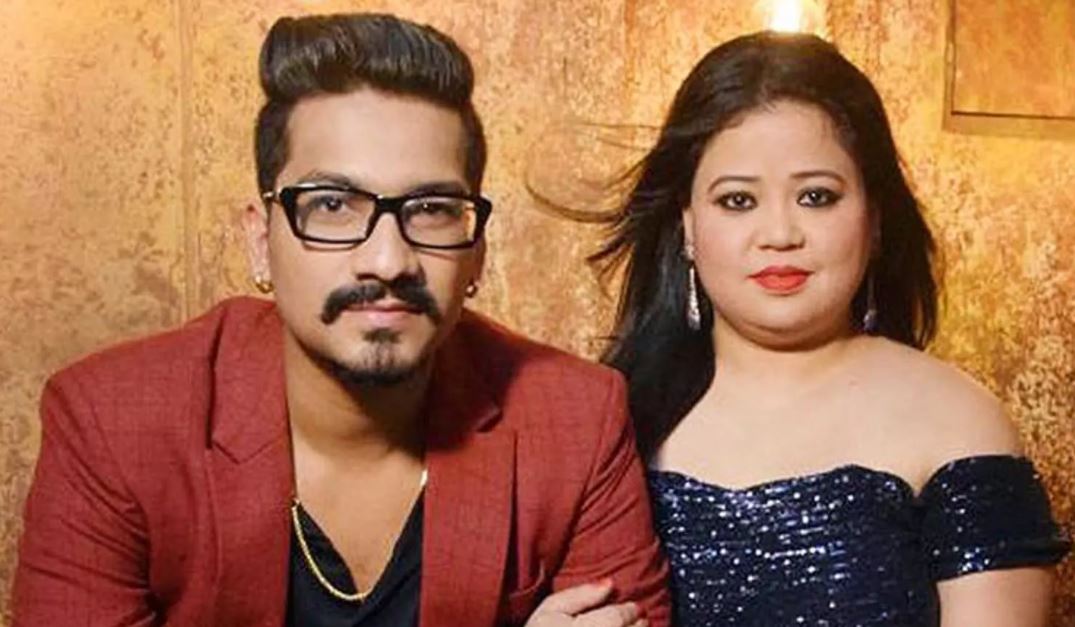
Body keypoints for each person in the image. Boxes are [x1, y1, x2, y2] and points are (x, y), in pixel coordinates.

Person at [13, 13, 669, 627]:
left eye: (431, 209)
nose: (387, 260)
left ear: (476, 253)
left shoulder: (575, 420)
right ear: (260, 241)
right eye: (331, 205)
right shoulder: (113, 422)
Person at [591, 31, 1070, 626]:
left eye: (817, 196)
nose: (779, 234)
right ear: (686, 225)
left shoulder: (958, 422)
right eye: (738, 201)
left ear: (874, 218)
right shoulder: (607, 420)